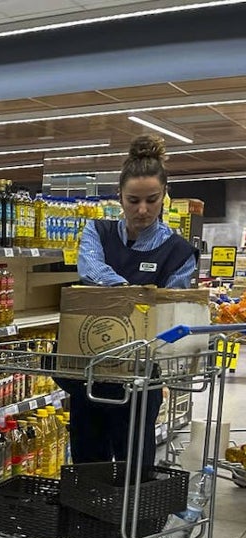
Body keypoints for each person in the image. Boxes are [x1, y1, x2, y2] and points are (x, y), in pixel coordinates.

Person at [70, 134, 197, 475]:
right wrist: (137, 294)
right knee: (87, 466)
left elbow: (168, 313)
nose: (142, 210)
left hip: (141, 377)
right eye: (133, 200)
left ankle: (132, 527)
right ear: (119, 198)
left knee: (134, 468)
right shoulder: (97, 231)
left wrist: (128, 300)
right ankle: (88, 527)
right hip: (90, 371)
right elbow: (91, 271)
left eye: (151, 200)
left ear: (164, 198)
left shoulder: (180, 252)